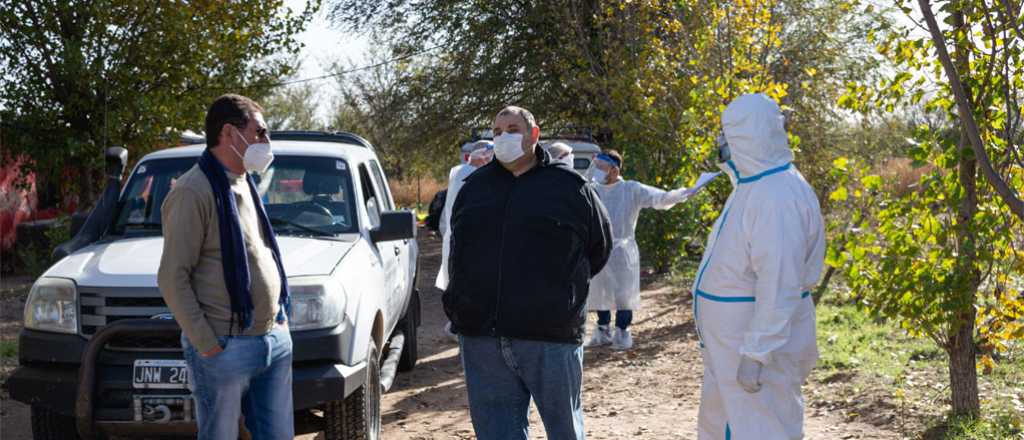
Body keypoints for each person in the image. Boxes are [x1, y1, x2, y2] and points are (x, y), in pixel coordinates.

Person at [444, 106, 612, 440]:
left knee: (565, 431)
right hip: (483, 339)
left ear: (534, 135)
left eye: (513, 128)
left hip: (550, 337)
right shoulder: (474, 188)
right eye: (497, 131)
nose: (504, 136)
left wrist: (560, 297)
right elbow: (458, 250)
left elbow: (599, 248)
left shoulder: (569, 188)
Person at [158, 94, 293, 439]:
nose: (266, 141)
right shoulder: (193, 191)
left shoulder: (245, 182)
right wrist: (207, 343)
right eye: (260, 131)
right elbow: (173, 277)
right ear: (231, 133)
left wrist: (280, 319)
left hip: (272, 338)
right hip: (225, 346)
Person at [691, 93, 824, 440]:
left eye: (727, 134)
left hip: (751, 346)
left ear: (748, 135)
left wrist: (757, 352)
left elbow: (780, 281)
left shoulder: (776, 194)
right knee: (729, 424)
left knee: (762, 428)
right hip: (732, 346)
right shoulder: (755, 186)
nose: (721, 143)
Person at [584, 150, 695, 350]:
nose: (597, 171)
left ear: (614, 170)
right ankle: (602, 330)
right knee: (601, 290)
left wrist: (682, 194)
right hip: (599, 248)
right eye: (596, 165)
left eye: (601, 167)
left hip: (622, 250)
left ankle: (622, 331)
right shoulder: (592, 190)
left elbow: (659, 198)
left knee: (624, 293)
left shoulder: (631, 189)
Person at [436, 141, 494, 341]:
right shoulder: (465, 174)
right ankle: (458, 326)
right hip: (466, 241)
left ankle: (459, 325)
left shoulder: (466, 173)